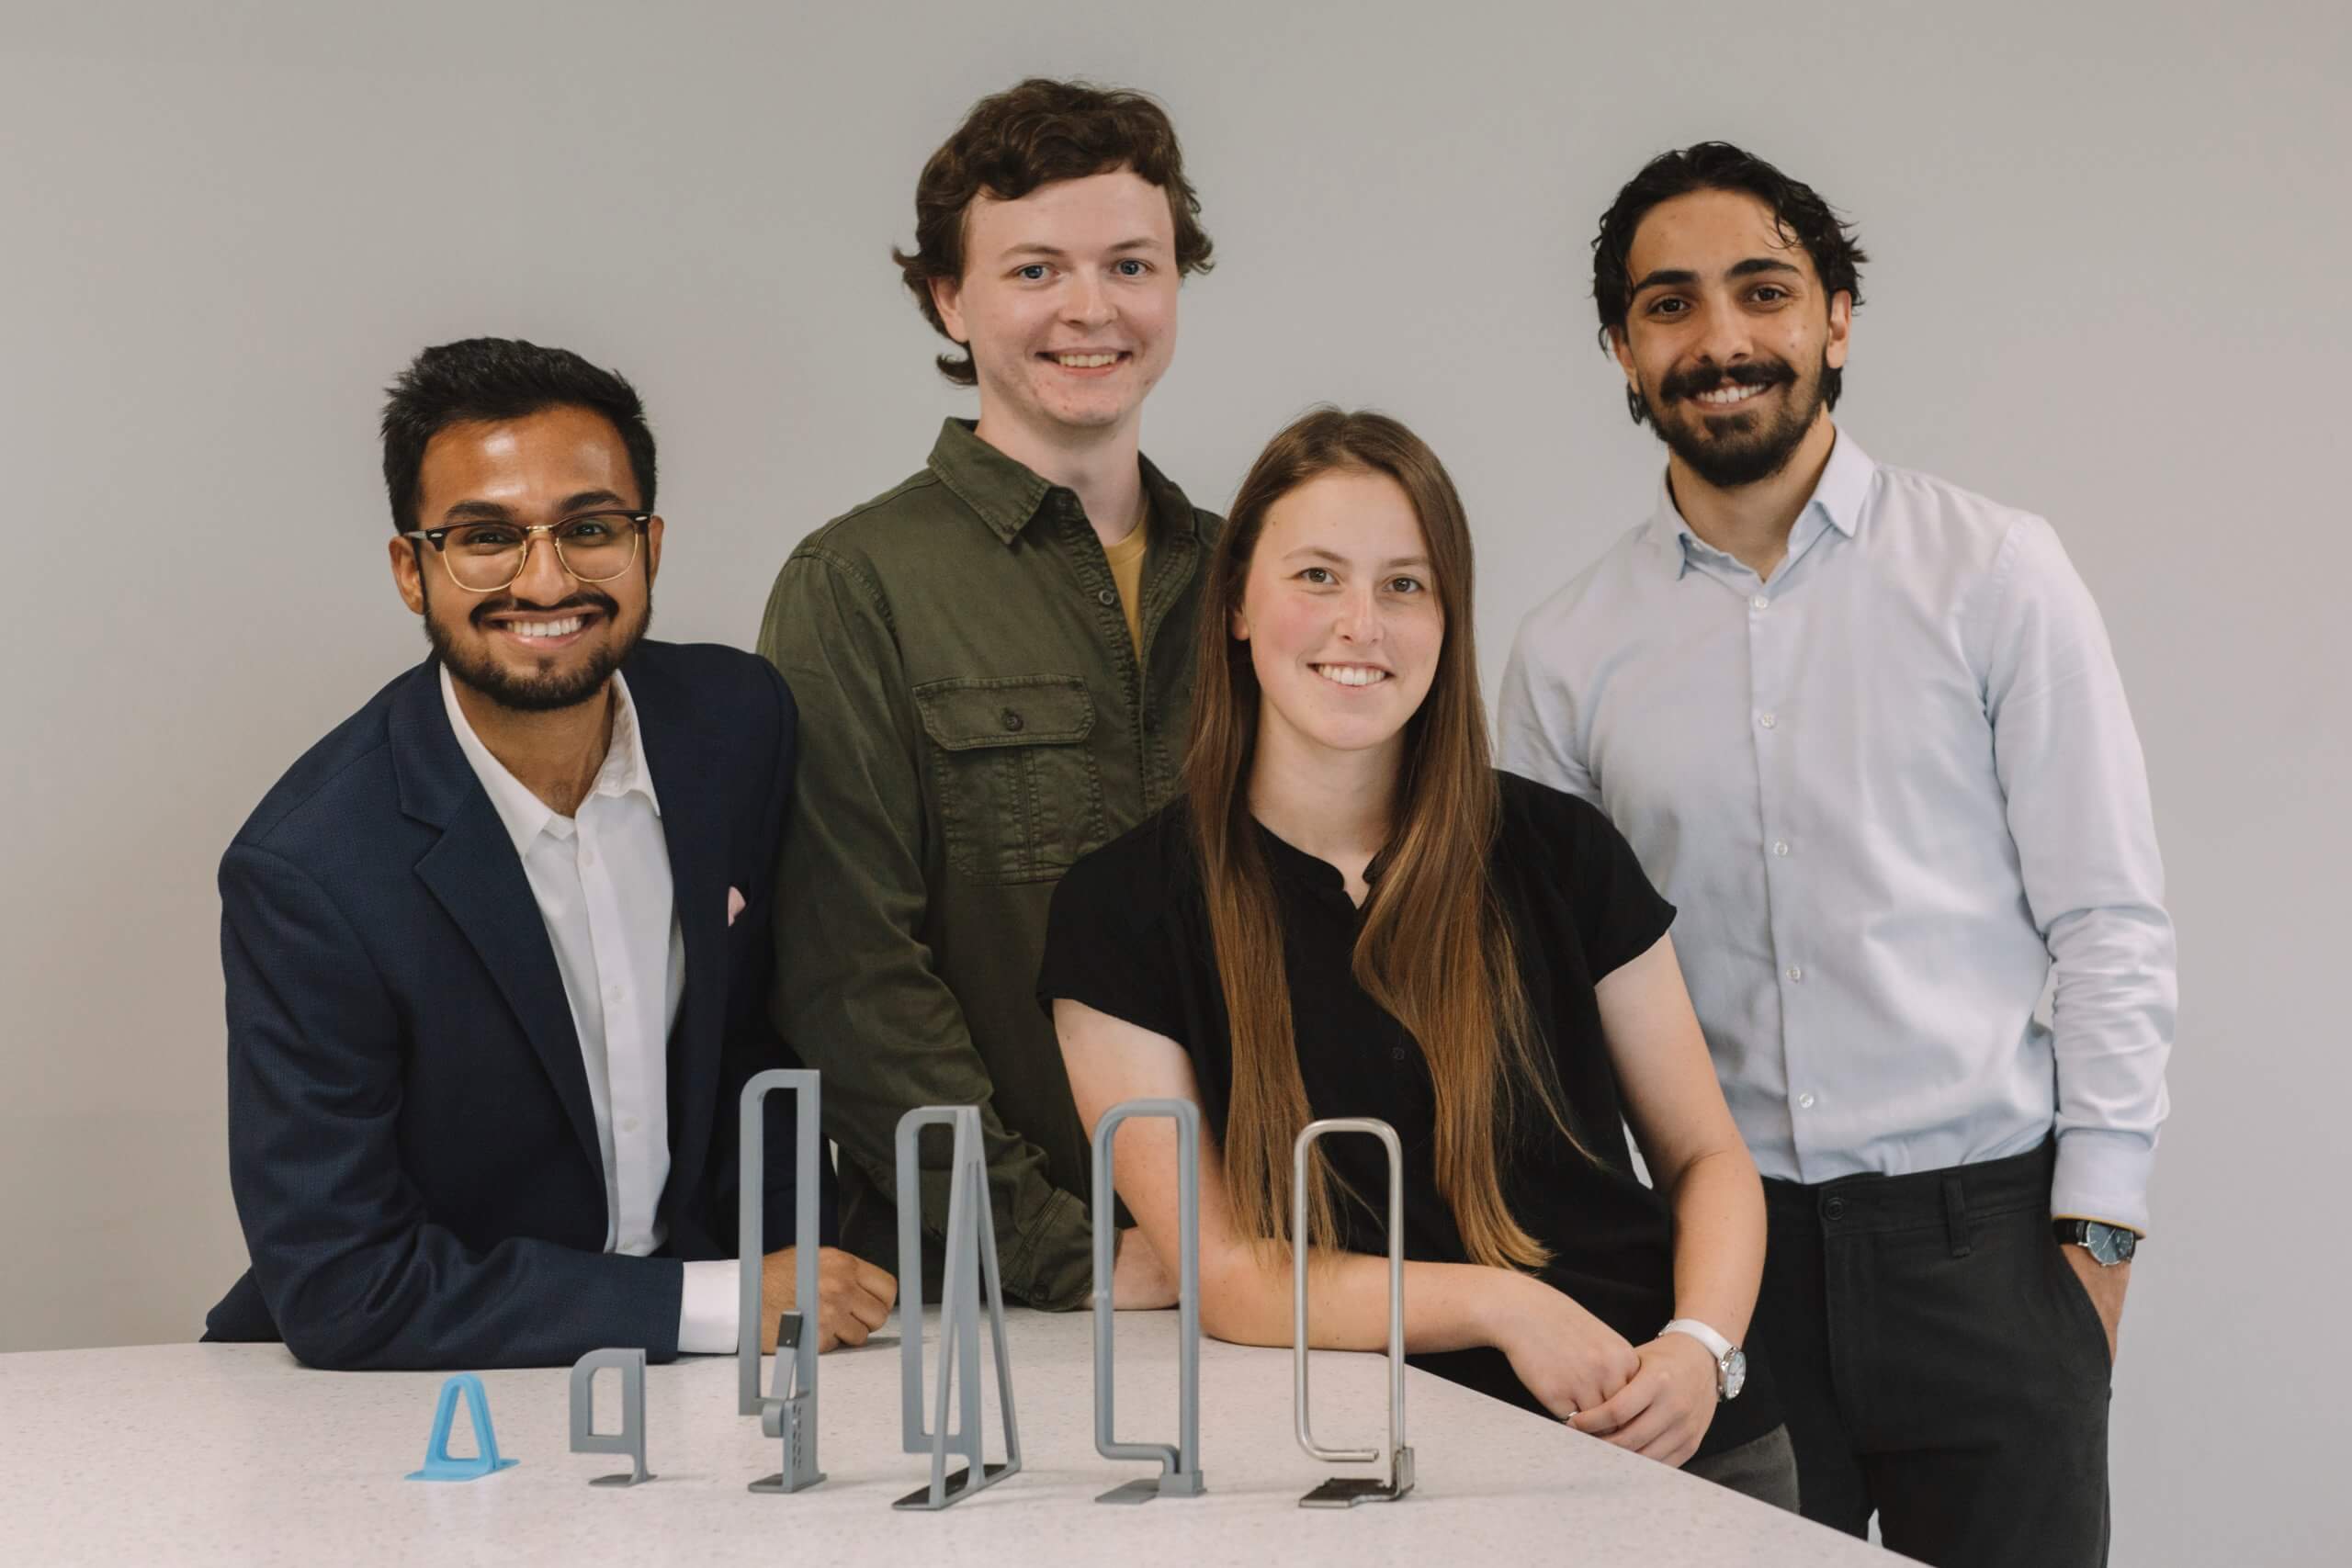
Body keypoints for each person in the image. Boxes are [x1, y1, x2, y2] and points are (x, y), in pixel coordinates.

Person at [1498, 143, 2175, 1564]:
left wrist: (2094, 1246)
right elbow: (1550, 1012)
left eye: (1765, 291)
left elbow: (2108, 918)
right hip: (1721, 1274)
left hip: (1985, 1253)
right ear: (1622, 348)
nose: (1723, 339)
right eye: (1670, 305)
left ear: (1838, 318)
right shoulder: (1566, 656)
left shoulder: (1995, 572)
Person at [1041, 408, 1799, 1506]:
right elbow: (1230, 1275)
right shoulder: (1120, 912)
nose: (1361, 624)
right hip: (1385, 1470)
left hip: (1669, 1434)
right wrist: (1501, 1302)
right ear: (1238, 607)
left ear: (1448, 619)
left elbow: (1706, 1160)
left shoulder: (1558, 850)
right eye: (1316, 576)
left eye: (1405, 585)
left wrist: (1697, 1348)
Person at [205, 337, 893, 1369]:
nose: (545, 579)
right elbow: (344, 1283)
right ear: (411, 568)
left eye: (589, 528)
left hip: (718, 1387)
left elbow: (757, 1038)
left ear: (649, 545)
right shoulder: (312, 872)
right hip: (416, 1395)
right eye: (485, 537)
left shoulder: (737, 722)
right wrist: (716, 1304)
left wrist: (798, 1259)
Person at [759, 78, 1220, 1311]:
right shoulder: (853, 585)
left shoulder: (1259, 580)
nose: (1091, 308)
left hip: (1275, 1267)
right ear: (950, 298)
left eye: (1132, 263)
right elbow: (850, 977)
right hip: (992, 1298)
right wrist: (1058, 1249)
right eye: (1034, 271)